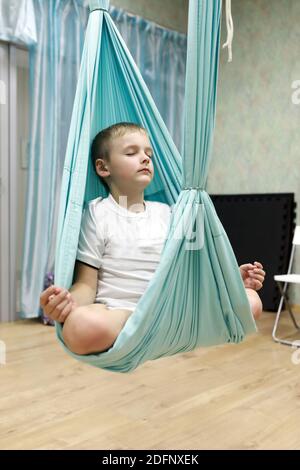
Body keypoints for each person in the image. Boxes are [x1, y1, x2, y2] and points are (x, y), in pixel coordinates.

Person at [40, 122, 265, 355]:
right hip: (123, 313)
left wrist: (230, 281)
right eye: (131, 152)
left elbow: (191, 272)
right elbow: (87, 284)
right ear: (103, 167)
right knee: (79, 328)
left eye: (148, 154)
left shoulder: (168, 212)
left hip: (171, 307)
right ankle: (147, 329)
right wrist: (68, 303)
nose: (145, 158)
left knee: (251, 303)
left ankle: (162, 326)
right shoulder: (97, 213)